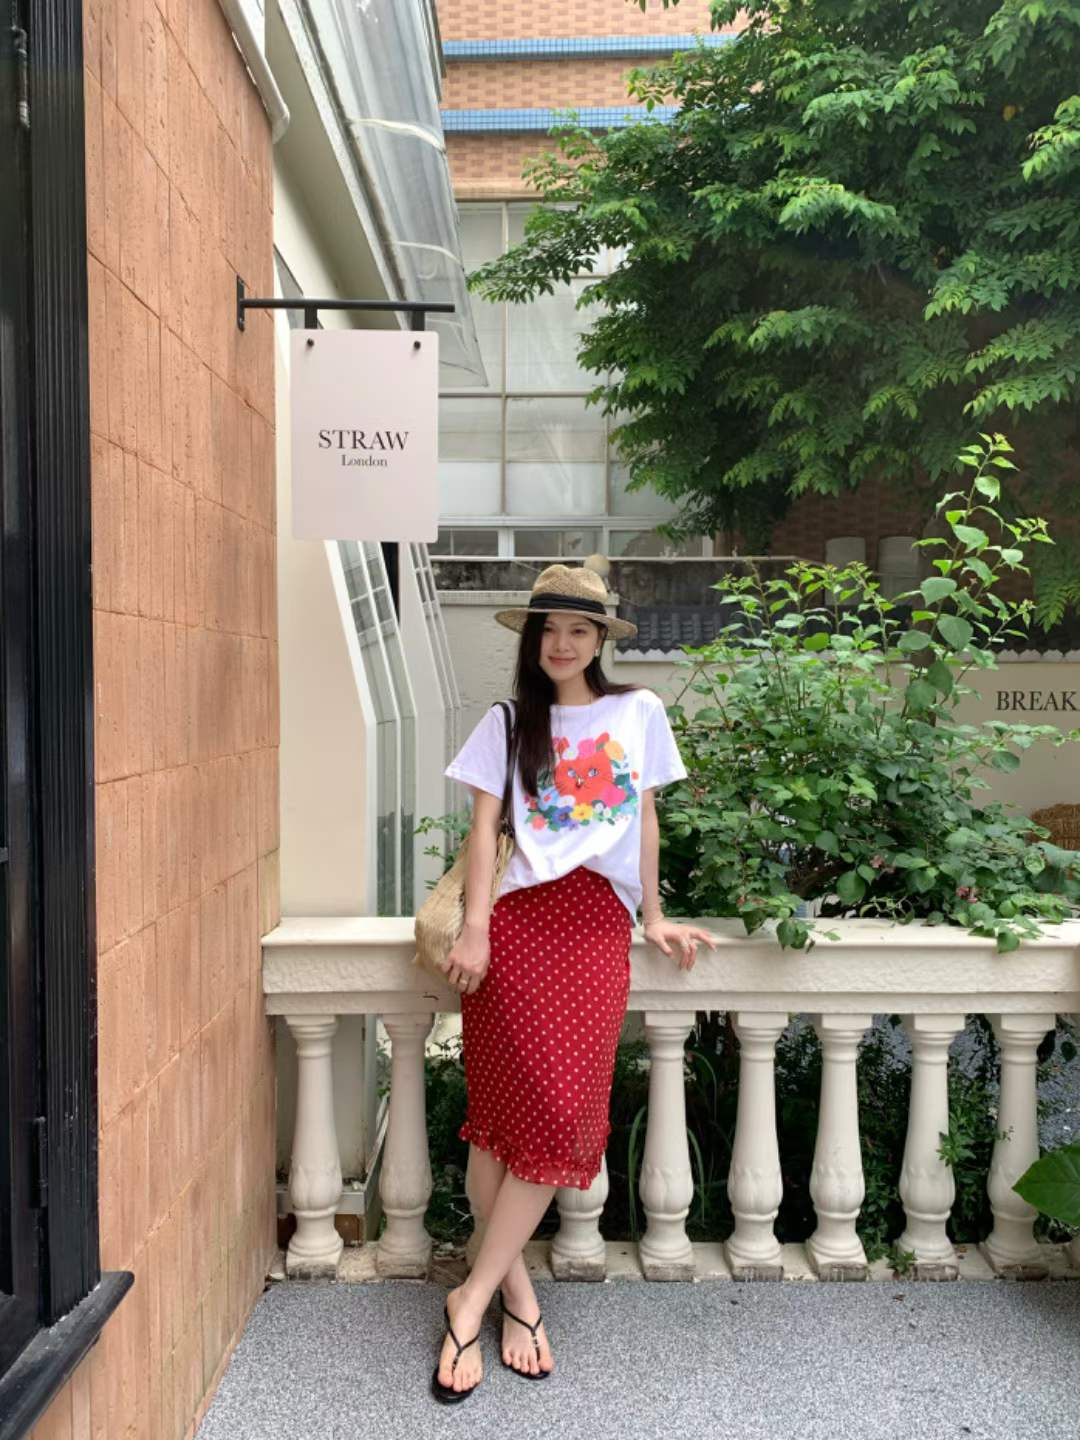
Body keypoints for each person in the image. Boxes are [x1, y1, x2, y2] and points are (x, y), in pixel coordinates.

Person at [431, 561, 718, 1403]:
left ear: (599, 640)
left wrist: (653, 914)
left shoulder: (639, 711)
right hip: (516, 926)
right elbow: (483, 831)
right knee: (498, 1126)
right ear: (533, 638)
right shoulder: (508, 721)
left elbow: (645, 816)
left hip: (594, 926)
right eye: (549, 629)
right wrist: (476, 929)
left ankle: (472, 1294)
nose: (561, 643)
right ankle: (512, 1298)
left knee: (562, 1118)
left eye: (578, 630)